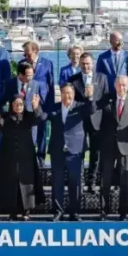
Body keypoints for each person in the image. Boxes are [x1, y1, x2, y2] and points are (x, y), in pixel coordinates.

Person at [0, 94, 45, 221]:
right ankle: (12, 211)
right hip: (9, 157)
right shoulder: (6, 118)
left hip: (26, 157)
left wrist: (36, 107)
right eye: (15, 104)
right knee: (12, 184)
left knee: (26, 184)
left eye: (20, 104)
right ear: (11, 105)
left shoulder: (29, 117)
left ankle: (27, 211)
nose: (18, 106)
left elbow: (39, 118)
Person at [45, 83, 95, 222]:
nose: (67, 96)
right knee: (57, 182)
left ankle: (75, 212)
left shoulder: (80, 106)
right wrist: (36, 106)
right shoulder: (54, 108)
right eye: (65, 93)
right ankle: (58, 212)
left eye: (70, 93)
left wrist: (90, 97)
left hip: (75, 151)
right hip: (58, 151)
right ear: (60, 94)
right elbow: (41, 117)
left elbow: (92, 109)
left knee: (76, 183)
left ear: (73, 94)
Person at [99, 75, 128, 221]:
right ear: (115, 85)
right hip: (108, 146)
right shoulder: (106, 99)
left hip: (126, 146)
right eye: (119, 85)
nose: (122, 88)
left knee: (125, 181)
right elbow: (100, 119)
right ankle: (104, 210)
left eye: (124, 85)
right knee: (105, 180)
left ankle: (123, 212)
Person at [69, 52, 109, 193]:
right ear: (79, 64)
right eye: (83, 63)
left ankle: (91, 183)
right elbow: (71, 101)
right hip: (79, 121)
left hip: (97, 121)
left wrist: (94, 104)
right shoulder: (73, 79)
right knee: (79, 154)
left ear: (93, 64)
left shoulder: (102, 78)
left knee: (95, 154)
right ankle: (78, 183)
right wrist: (87, 100)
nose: (86, 66)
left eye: (88, 63)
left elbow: (105, 99)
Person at [23, 40, 55, 167]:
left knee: (42, 131)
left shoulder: (47, 64)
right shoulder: (22, 64)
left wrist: (50, 105)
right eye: (24, 54)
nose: (26, 57)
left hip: (43, 102)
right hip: (27, 103)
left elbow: (51, 85)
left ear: (36, 51)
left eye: (28, 54)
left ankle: (41, 157)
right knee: (29, 131)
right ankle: (28, 156)